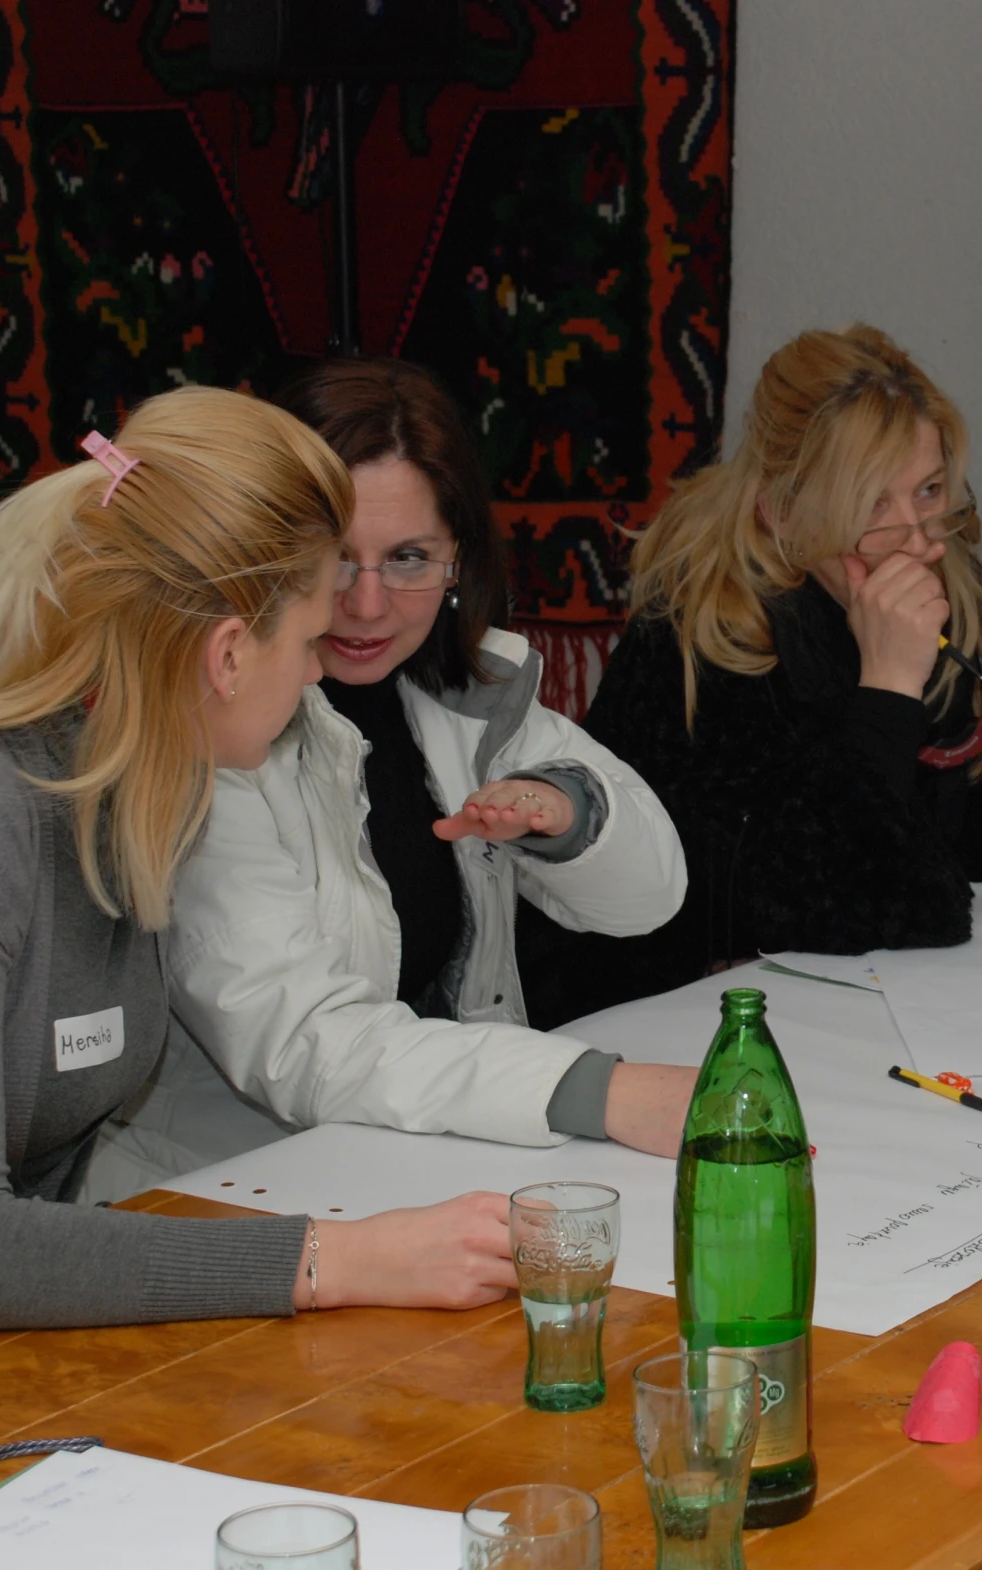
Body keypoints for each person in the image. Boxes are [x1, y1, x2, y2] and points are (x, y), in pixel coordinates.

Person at [0, 388, 529, 1336]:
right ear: (225, 656)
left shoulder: (128, 793)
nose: (317, 671)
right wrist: (340, 1257)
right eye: (304, 639)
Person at [83, 359, 691, 1199]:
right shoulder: (215, 729)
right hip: (225, 1194)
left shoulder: (461, 697)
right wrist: (592, 1089)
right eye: (334, 559)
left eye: (407, 557)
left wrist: (572, 814)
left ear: (457, 565)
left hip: (425, 1165)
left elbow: (651, 896)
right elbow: (304, 1041)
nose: (366, 606)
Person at [549, 325, 982, 1012]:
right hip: (688, 1017)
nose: (917, 539)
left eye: (930, 489)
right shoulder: (700, 638)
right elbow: (829, 911)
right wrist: (887, 690)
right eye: (872, 503)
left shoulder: (951, 590)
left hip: (891, 999)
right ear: (783, 512)